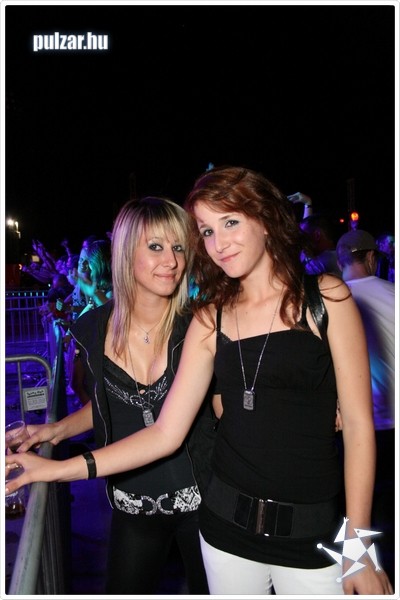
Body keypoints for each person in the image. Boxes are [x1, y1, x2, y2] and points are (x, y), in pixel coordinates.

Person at [6, 167, 393, 595]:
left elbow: (358, 426)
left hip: (313, 535)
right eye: (207, 231)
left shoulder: (327, 297)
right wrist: (56, 468)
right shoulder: (210, 318)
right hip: (225, 535)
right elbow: (165, 432)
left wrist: (359, 548)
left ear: (265, 219)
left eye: (231, 222)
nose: (219, 243)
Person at [7, 197, 209, 595]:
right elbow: (110, 400)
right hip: (133, 500)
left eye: (178, 247)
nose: (171, 260)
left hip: (204, 502)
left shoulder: (199, 325)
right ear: (125, 252)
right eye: (155, 246)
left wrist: (54, 470)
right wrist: (54, 430)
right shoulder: (94, 327)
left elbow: (167, 431)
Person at [336, 229, 395, 585]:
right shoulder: (393, 293)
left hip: (362, 428)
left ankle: (362, 577)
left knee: (362, 514)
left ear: (341, 259)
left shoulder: (333, 301)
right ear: (372, 257)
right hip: (391, 425)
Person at [300, 212, 342, 277]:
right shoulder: (341, 255)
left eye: (304, 236)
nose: (301, 241)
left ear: (317, 235)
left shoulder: (320, 263)